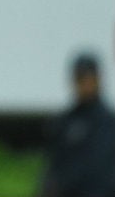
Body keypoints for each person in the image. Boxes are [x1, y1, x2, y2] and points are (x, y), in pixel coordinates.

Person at [38, 53, 115, 197]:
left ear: (98, 79)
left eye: (89, 79)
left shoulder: (108, 122)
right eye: (80, 79)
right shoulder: (64, 122)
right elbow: (53, 165)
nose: (85, 85)